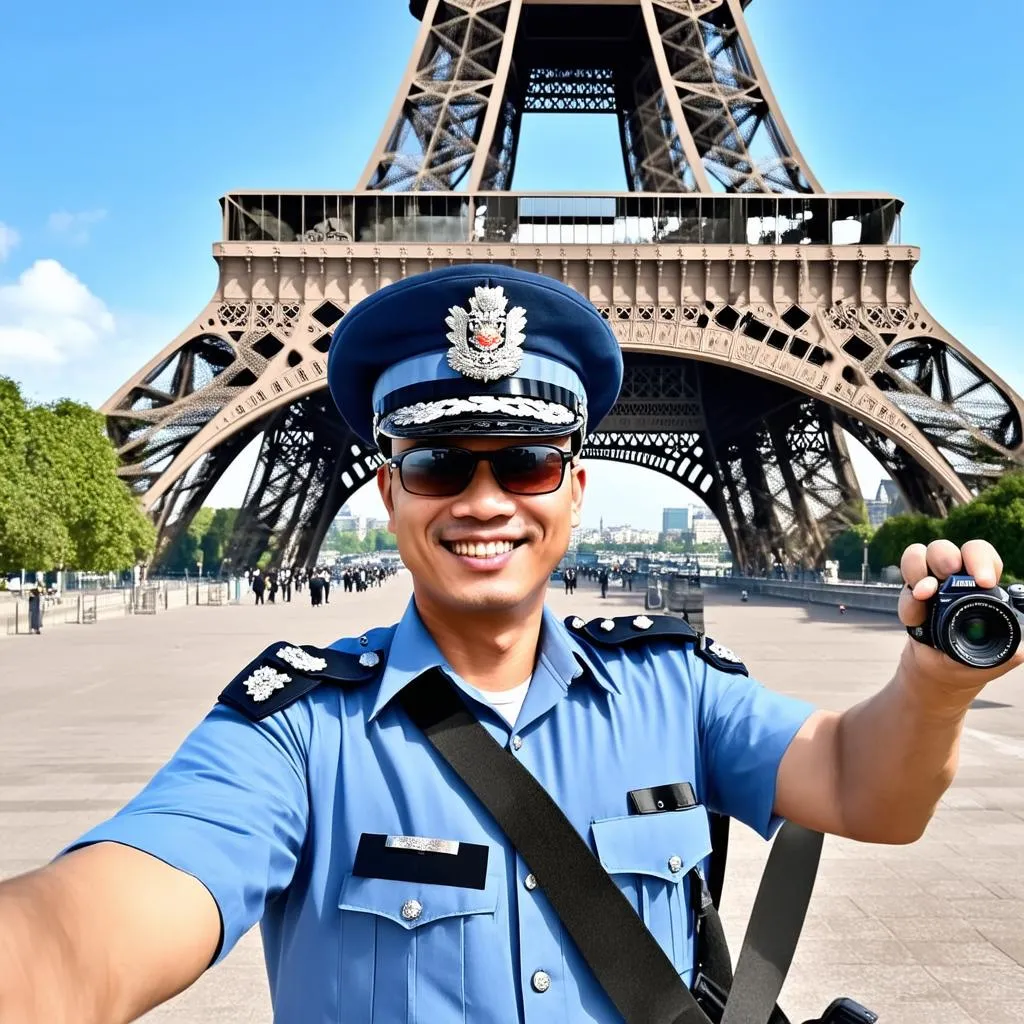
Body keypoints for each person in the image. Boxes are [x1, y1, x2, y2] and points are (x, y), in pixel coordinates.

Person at [0, 263, 1019, 1023]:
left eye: (526, 463)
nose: (484, 501)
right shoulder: (299, 729)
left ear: (574, 490)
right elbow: (86, 934)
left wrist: (932, 687)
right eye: (441, 463)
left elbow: (861, 788)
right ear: (391, 489)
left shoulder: (673, 686)